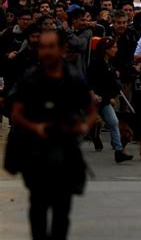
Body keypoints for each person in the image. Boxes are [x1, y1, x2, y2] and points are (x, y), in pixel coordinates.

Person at [9, 29, 97, 240]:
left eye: (51, 47)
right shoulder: (30, 79)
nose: (46, 52)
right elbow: (16, 114)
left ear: (62, 49)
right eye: (42, 47)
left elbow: (92, 111)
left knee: (61, 209)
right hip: (36, 153)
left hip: (66, 152)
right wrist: (35, 127)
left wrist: (83, 127)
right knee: (38, 206)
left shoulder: (74, 78)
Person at [87, 37, 134, 162]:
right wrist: (92, 94)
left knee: (113, 122)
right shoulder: (96, 62)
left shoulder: (108, 63)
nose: (116, 49)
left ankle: (118, 151)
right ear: (106, 49)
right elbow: (89, 80)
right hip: (94, 99)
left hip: (104, 99)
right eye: (113, 47)